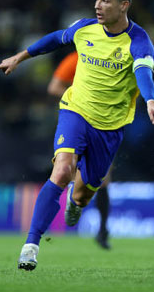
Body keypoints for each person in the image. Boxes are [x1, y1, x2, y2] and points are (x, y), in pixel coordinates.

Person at [0, 0, 154, 271]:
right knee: (61, 171)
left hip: (109, 127)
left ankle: (77, 204)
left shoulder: (138, 41)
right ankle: (31, 246)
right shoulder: (84, 28)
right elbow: (55, 39)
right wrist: (20, 57)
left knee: (82, 193)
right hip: (75, 111)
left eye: (106, 0)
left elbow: (144, 73)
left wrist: (150, 99)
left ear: (124, 5)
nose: (98, 5)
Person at [48, 51, 112, 250]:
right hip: (75, 122)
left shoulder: (109, 60)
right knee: (66, 171)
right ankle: (50, 223)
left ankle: (102, 230)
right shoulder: (75, 59)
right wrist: (81, 96)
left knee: (104, 178)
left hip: (103, 123)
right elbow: (54, 87)